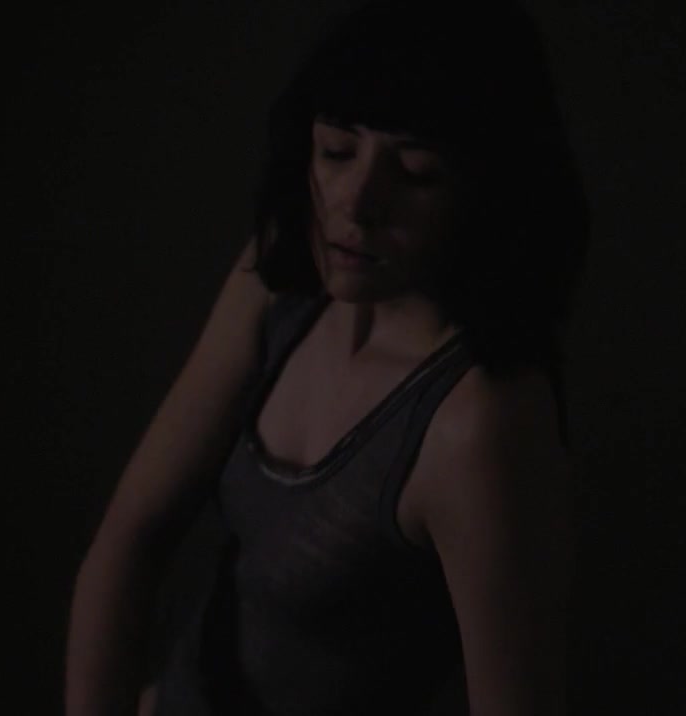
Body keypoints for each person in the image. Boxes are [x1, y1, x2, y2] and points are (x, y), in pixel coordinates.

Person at [65, 0, 589, 713]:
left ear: (488, 190)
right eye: (337, 151)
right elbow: (129, 541)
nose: (356, 203)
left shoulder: (480, 420)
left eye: (416, 172)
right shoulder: (280, 281)